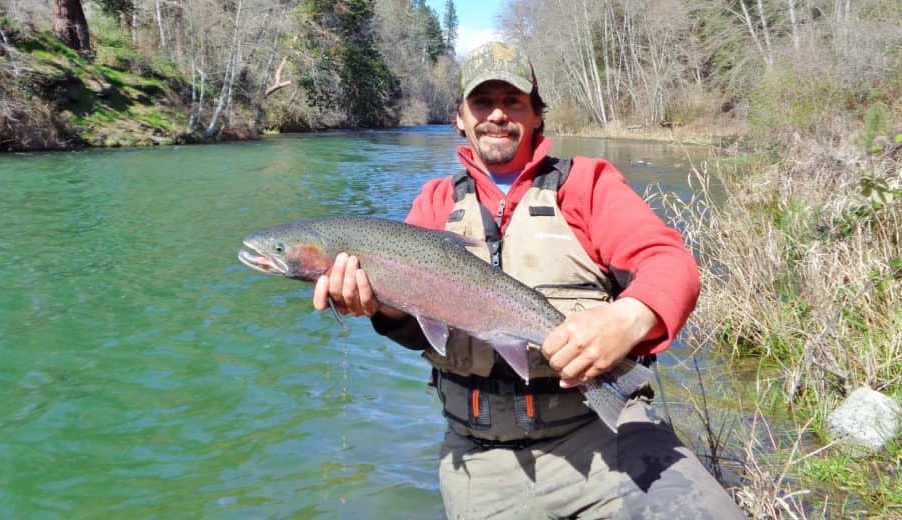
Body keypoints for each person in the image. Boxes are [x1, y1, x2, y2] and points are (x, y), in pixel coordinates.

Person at [313, 41, 743, 519]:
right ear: (460, 118)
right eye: (482, 102)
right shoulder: (435, 203)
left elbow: (670, 262)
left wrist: (629, 317)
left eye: (513, 102)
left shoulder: (587, 184)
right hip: (480, 462)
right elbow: (420, 329)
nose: (497, 115)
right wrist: (379, 307)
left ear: (537, 116)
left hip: (605, 437)